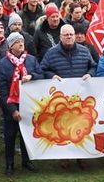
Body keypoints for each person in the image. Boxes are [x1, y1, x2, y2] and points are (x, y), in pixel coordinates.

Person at [40, 24, 96, 170]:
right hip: (61, 98)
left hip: (81, 97)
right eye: (66, 35)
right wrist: (52, 76)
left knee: (80, 127)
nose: (70, 37)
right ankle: (64, 157)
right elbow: (43, 69)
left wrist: (90, 74)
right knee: (63, 128)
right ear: (60, 37)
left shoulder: (84, 51)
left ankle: (81, 157)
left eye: (71, 34)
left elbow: (93, 66)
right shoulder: (51, 53)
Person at [0, 32, 42, 175]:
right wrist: (12, 110)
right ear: (11, 46)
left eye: (22, 41)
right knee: (10, 136)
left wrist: (32, 75)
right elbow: (2, 91)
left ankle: (26, 161)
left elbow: (41, 74)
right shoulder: (3, 64)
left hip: (28, 105)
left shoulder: (31, 60)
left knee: (26, 135)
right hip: (12, 106)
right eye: (17, 42)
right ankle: (9, 164)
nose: (21, 44)